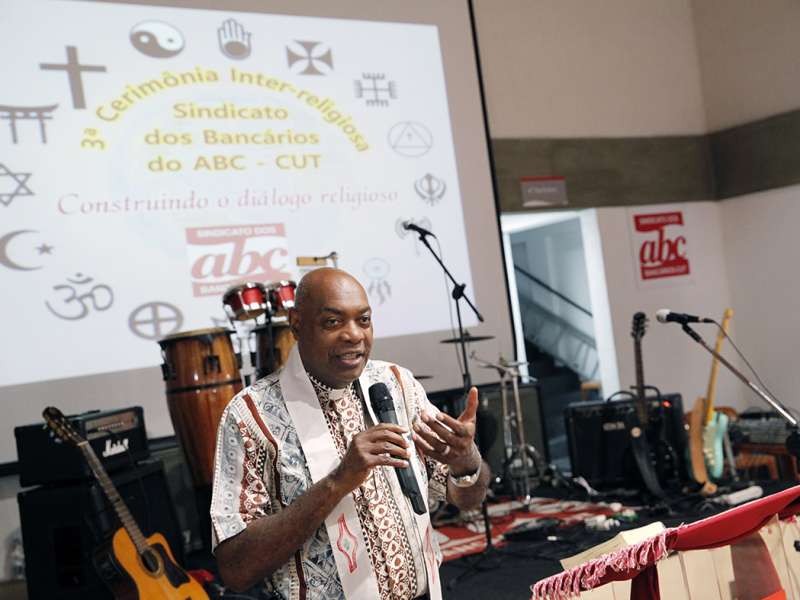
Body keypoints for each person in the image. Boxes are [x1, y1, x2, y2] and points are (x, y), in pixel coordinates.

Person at [210, 268, 490, 599]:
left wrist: (466, 461)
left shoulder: (398, 385)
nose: (353, 334)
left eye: (364, 320)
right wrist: (337, 482)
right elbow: (235, 570)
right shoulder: (251, 416)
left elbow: (467, 498)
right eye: (333, 322)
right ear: (297, 324)